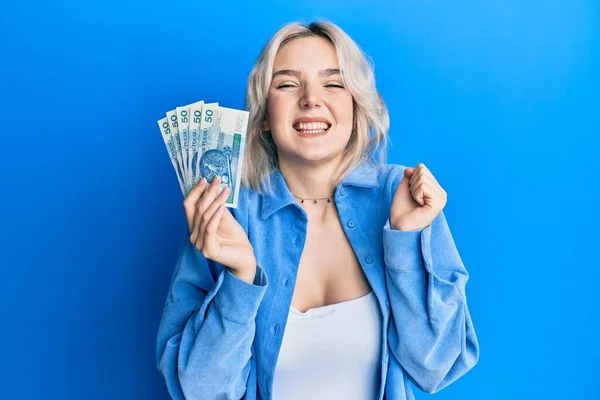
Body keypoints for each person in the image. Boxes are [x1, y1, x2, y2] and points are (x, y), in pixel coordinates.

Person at [156, 20, 479, 400]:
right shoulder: (225, 213)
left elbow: (436, 367)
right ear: (262, 119)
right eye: (288, 84)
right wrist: (241, 278)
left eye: (333, 83)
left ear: (356, 107)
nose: (311, 99)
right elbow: (200, 391)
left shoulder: (403, 198)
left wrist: (405, 242)